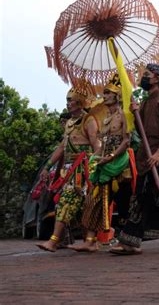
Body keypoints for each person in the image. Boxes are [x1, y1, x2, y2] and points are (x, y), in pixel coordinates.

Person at [110, 63, 159, 254]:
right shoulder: (144, 103)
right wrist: (135, 113)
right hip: (147, 158)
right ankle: (130, 241)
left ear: (157, 79)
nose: (143, 77)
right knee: (140, 198)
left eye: (147, 74)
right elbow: (142, 132)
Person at [69, 76, 134, 252]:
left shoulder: (124, 115)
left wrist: (111, 156)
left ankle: (126, 240)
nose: (104, 96)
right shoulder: (105, 117)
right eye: (104, 93)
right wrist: (93, 158)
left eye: (108, 93)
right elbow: (101, 143)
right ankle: (90, 241)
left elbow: (126, 141)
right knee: (94, 199)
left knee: (123, 203)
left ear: (117, 96)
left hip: (120, 164)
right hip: (104, 163)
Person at [36, 84, 100, 252]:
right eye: (67, 100)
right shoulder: (69, 122)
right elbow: (61, 147)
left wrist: (95, 166)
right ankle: (90, 242)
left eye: (70, 100)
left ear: (79, 102)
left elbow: (96, 145)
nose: (67, 103)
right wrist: (48, 166)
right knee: (80, 207)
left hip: (83, 168)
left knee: (68, 201)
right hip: (69, 169)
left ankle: (54, 241)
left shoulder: (89, 120)